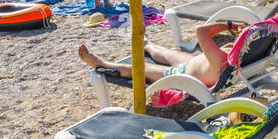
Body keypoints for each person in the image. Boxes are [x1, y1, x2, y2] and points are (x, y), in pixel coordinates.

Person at [78, 20, 239, 89]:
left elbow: (200, 31)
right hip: (197, 63)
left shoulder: (221, 58)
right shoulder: (243, 55)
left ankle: (102, 64)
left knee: (142, 68)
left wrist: (230, 25)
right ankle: (146, 43)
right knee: (168, 53)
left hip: (185, 75)